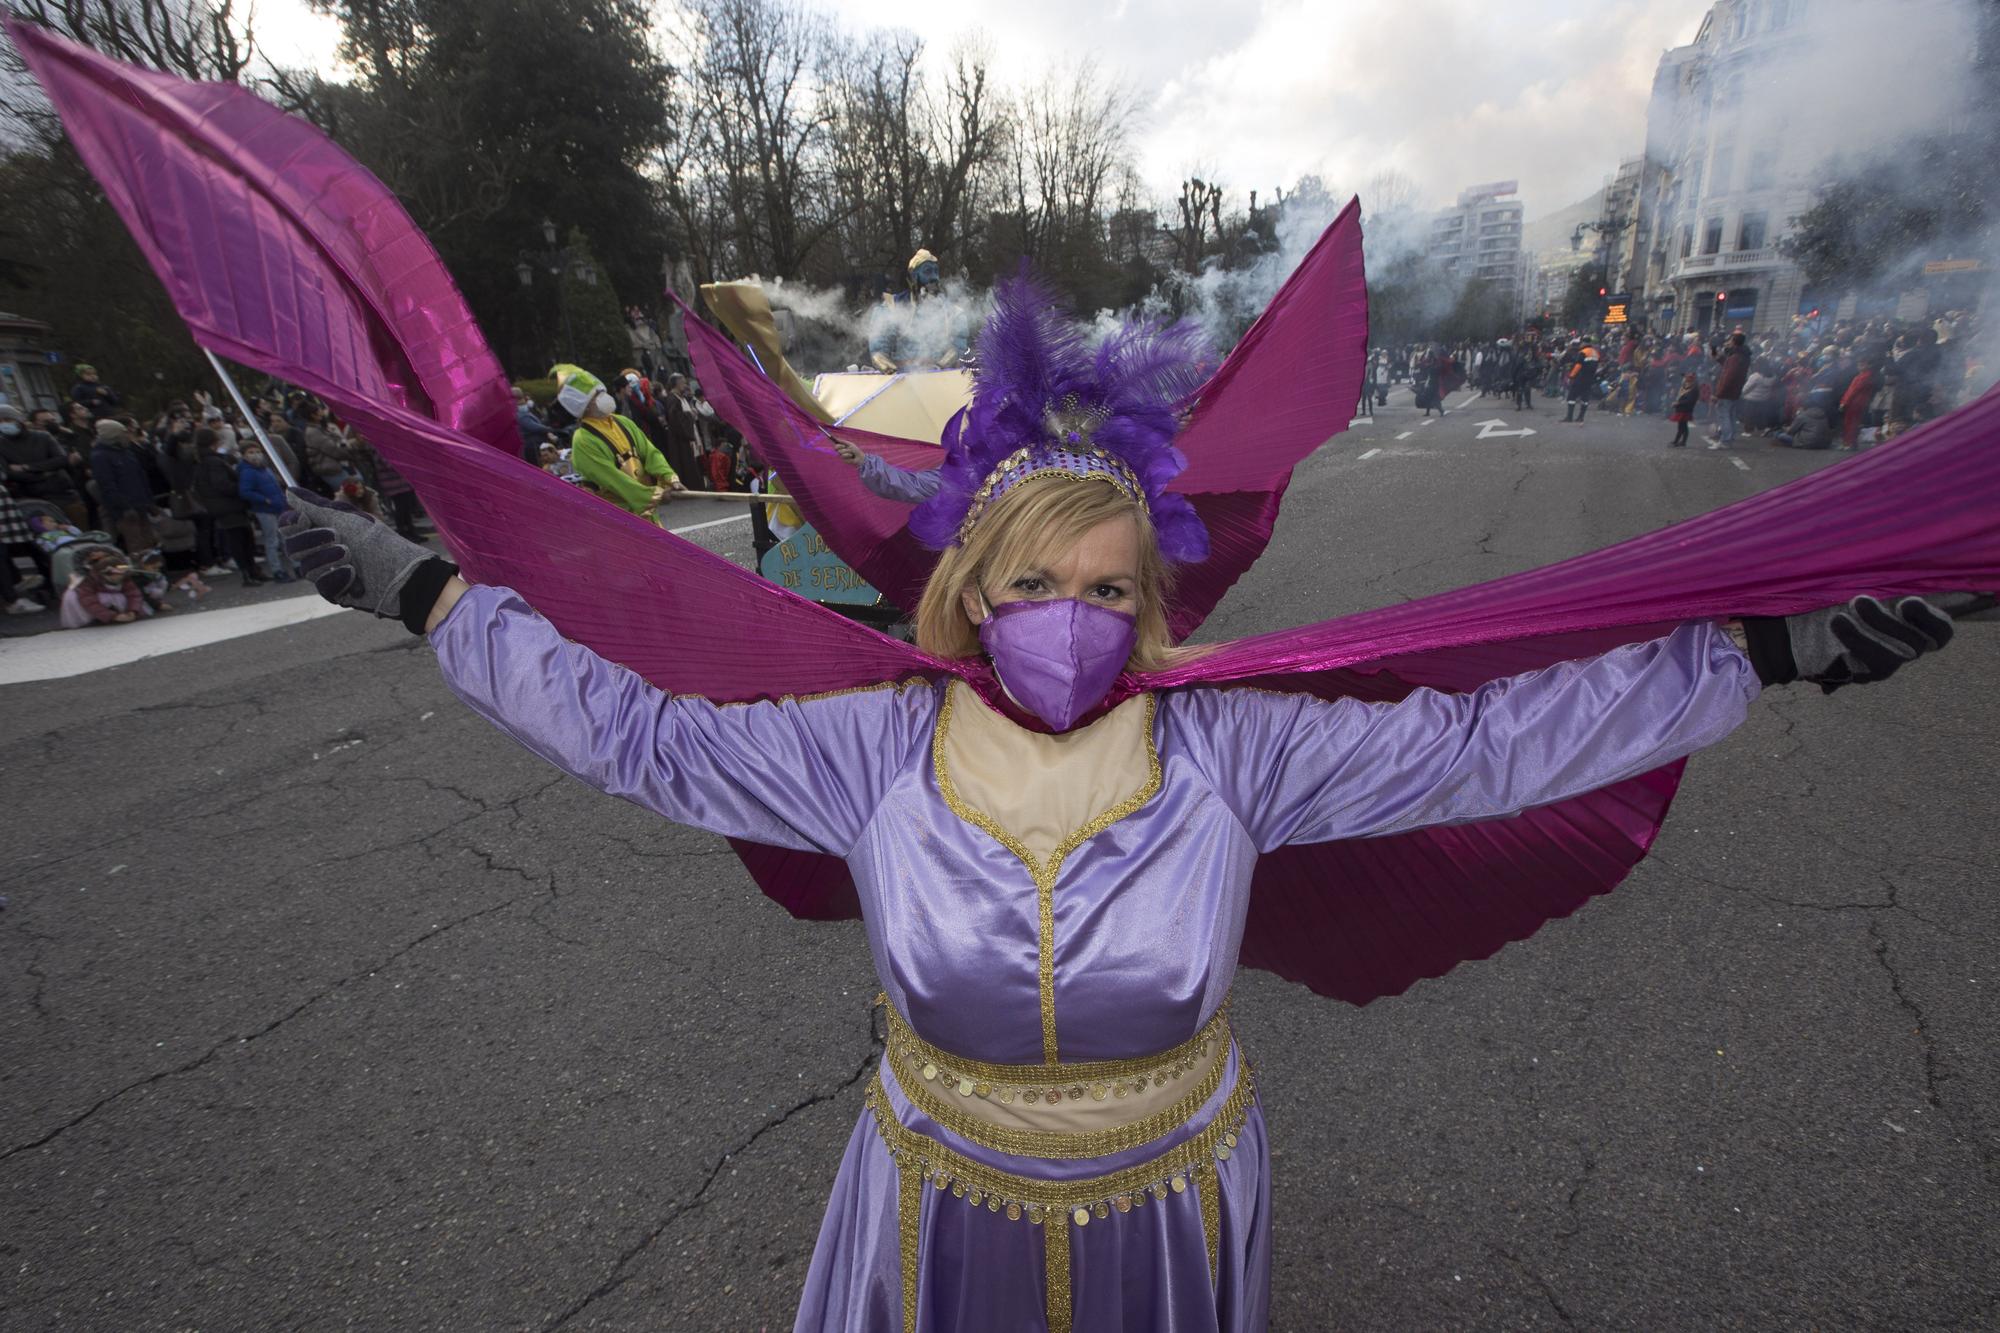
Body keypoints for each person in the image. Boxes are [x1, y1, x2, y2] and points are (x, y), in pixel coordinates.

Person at [278, 284, 1957, 1333]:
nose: (1066, 612)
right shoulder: (870, 746)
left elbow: (1495, 735)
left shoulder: (1236, 754)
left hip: (1174, 1193)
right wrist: (432, 597)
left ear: (1149, 599)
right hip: (937, 1194)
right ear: (966, 592)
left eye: (1103, 583)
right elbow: (628, 727)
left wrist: (1759, 648)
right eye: (1029, 581)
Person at [551, 365, 683, 522]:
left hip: (647, 513)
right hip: (618, 518)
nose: (604, 396)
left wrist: (669, 477)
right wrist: (652, 495)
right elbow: (612, 479)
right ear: (584, 405)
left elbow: (650, 453)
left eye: (602, 392)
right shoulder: (583, 440)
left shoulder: (623, 422)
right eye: (597, 395)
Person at [192, 426, 264, 584]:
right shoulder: (214, 462)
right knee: (240, 541)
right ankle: (248, 574)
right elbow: (222, 484)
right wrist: (241, 487)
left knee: (243, 539)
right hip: (228, 506)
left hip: (221, 506)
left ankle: (252, 571)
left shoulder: (204, 461)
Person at [0, 403, 87, 526]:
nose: (4, 424)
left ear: (18, 420)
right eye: (0, 421)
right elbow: (9, 473)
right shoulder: (2, 445)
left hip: (64, 494)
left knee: (80, 529)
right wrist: (45, 473)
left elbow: (61, 459)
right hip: (33, 500)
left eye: (7, 419)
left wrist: (27, 467)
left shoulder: (42, 437)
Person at [89, 418, 160, 557]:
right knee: (136, 543)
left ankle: (155, 567)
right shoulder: (100, 457)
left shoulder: (126, 452)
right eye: (122, 433)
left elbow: (141, 477)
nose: (126, 436)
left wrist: (150, 501)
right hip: (126, 508)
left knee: (150, 539)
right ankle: (142, 573)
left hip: (141, 504)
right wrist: (124, 507)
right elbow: (107, 485)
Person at [237, 440, 295, 581]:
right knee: (272, 541)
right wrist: (265, 500)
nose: (255, 455)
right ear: (243, 455)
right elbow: (245, 491)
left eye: (257, 452)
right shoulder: (247, 472)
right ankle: (277, 570)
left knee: (286, 539)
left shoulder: (265, 469)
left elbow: (276, 487)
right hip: (265, 510)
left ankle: (296, 566)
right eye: (250, 452)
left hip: (278, 507)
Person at [60, 544, 152, 627]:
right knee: (74, 596)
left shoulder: (124, 577)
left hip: (114, 599)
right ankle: (97, 619)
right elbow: (90, 601)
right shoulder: (87, 580)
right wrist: (112, 616)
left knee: (119, 596)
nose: (118, 577)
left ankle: (121, 613)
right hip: (93, 605)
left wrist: (132, 611)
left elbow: (133, 594)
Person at [1709, 331, 1751, 447]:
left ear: (1734, 342)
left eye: (1730, 340)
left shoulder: (1734, 357)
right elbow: (1724, 363)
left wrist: (1718, 394)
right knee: (1731, 415)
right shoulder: (1742, 356)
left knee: (1724, 416)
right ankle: (1730, 438)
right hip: (1735, 391)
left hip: (1727, 392)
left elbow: (1728, 377)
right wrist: (1714, 351)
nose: (1728, 342)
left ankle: (1725, 440)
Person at [1668, 372, 1699, 448]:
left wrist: (1677, 403)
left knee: (1682, 426)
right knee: (1683, 426)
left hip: (1685, 409)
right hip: (1681, 408)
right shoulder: (1685, 386)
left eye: (1686, 378)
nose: (1684, 379)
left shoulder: (1694, 389)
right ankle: (1682, 442)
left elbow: (1689, 400)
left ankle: (1677, 441)